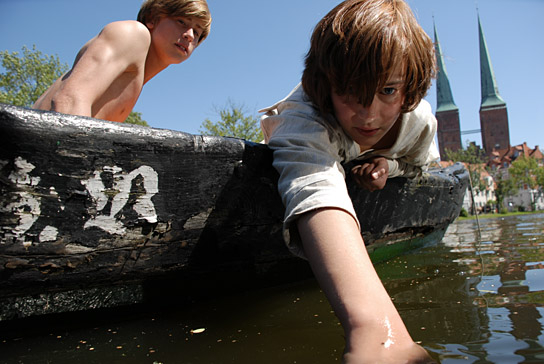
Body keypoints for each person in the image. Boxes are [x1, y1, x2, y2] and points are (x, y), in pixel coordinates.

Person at [260, 0, 439, 362]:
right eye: (350, 91)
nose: (369, 114)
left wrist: (388, 166)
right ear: (326, 87)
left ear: (409, 89)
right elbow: (314, 184)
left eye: (388, 91)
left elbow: (418, 166)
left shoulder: (420, 123)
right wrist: (377, 333)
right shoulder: (303, 117)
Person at [33, 0, 211, 123]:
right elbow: (69, 100)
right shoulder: (133, 34)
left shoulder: (135, 76)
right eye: (181, 21)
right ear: (151, 18)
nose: (189, 35)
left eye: (197, 32)